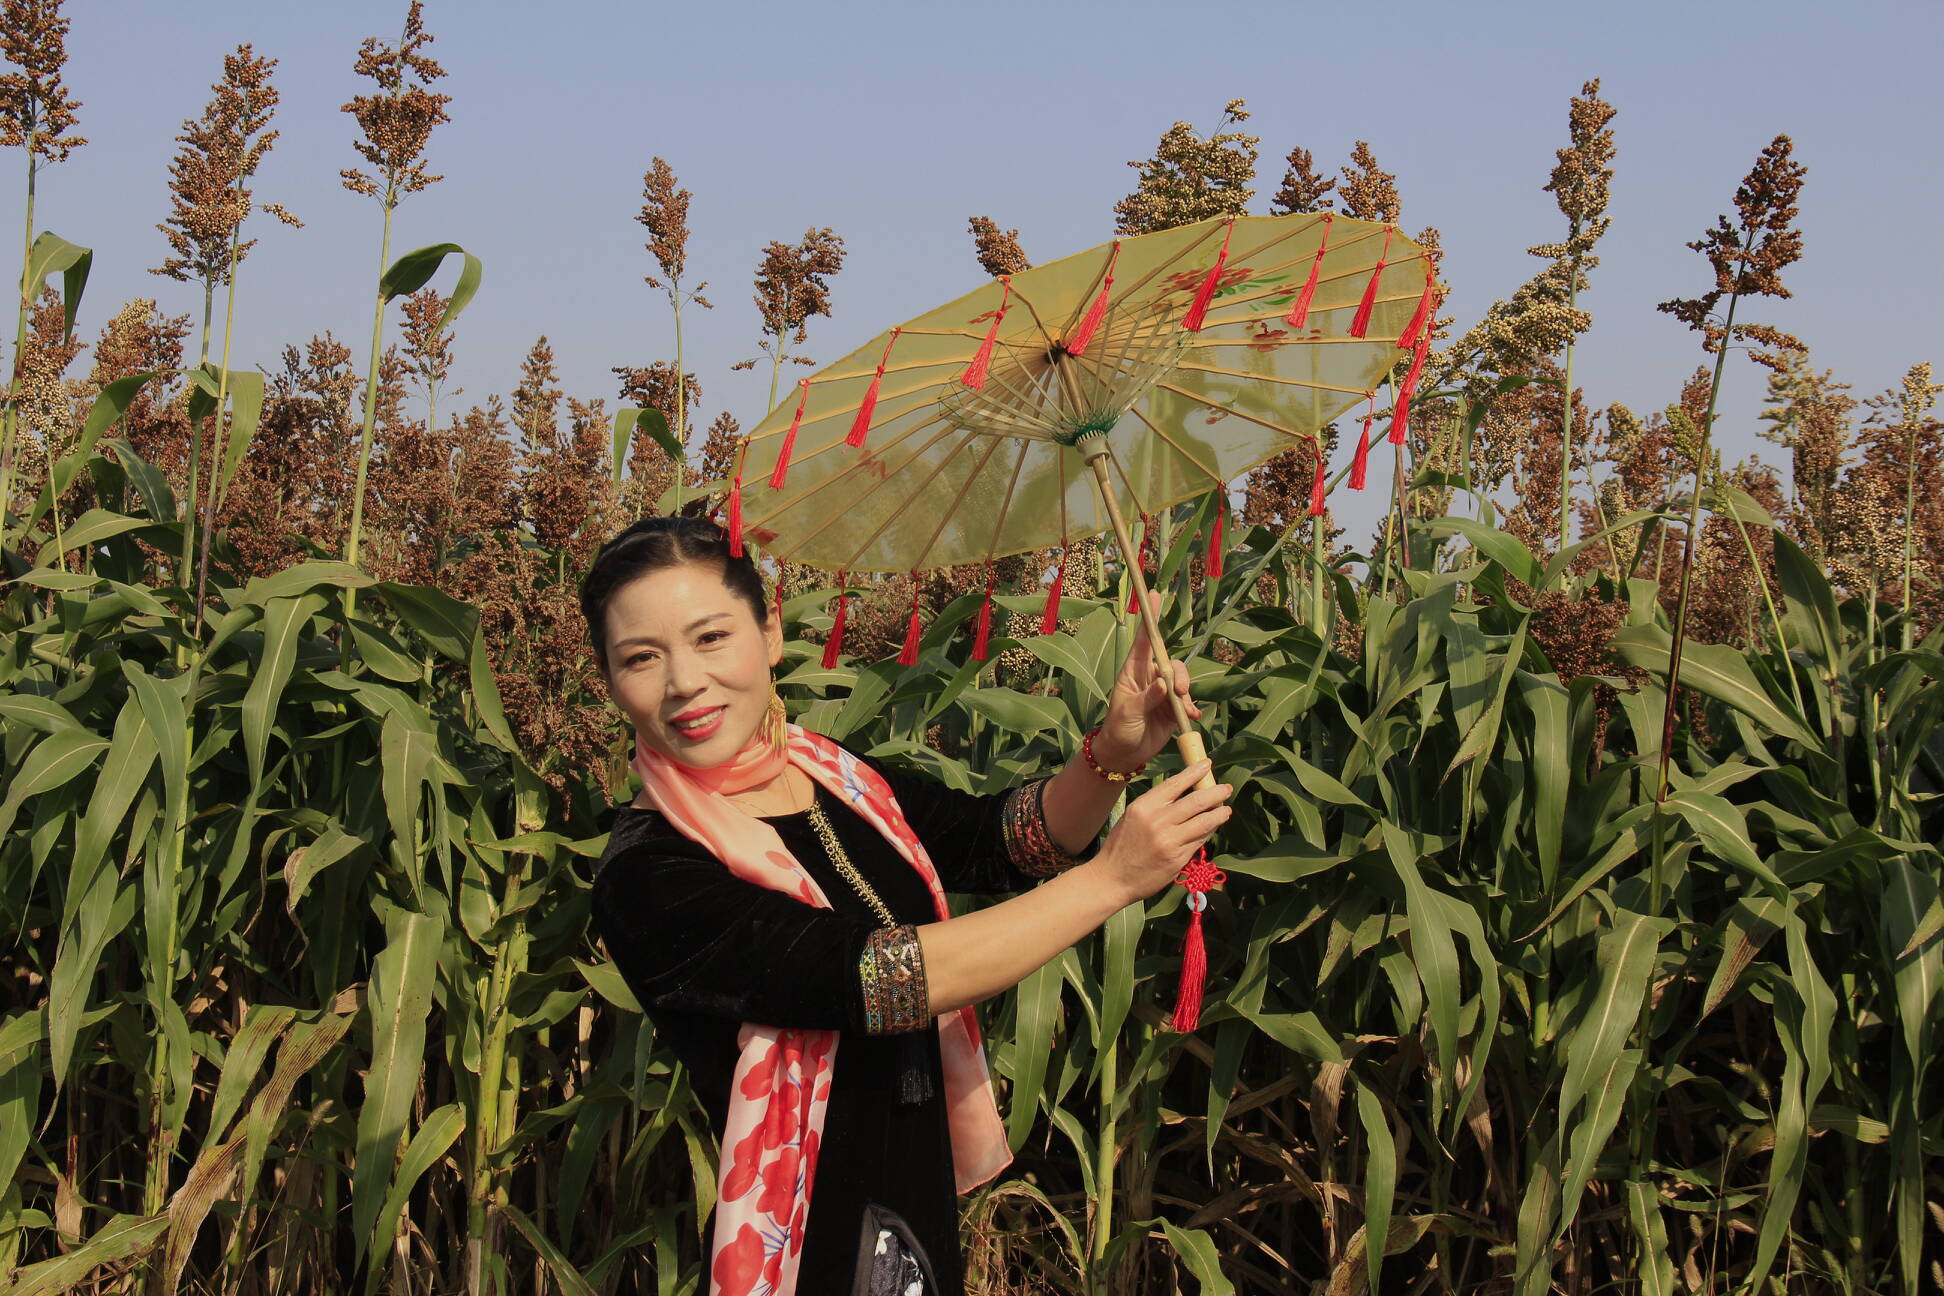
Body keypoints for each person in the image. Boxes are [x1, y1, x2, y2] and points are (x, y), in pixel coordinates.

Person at [580, 517, 1232, 1296]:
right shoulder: (648, 871)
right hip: (809, 1239)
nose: (684, 681)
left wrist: (1112, 755)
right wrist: (1112, 880)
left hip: (912, 1203)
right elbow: (876, 980)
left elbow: (1005, 840)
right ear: (612, 682)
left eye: (711, 637)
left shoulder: (836, 777)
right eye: (641, 659)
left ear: (771, 630)